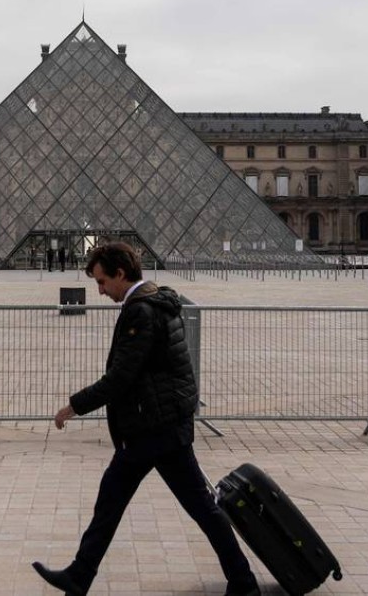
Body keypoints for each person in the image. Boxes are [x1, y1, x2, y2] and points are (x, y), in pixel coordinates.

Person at [32, 242, 259, 596]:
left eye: (102, 282)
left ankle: (244, 583)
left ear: (121, 274)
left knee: (169, 504)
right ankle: (80, 575)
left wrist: (73, 406)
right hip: (162, 423)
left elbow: (122, 376)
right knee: (184, 505)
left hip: (154, 428)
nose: (100, 291)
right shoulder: (156, 300)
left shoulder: (142, 311)